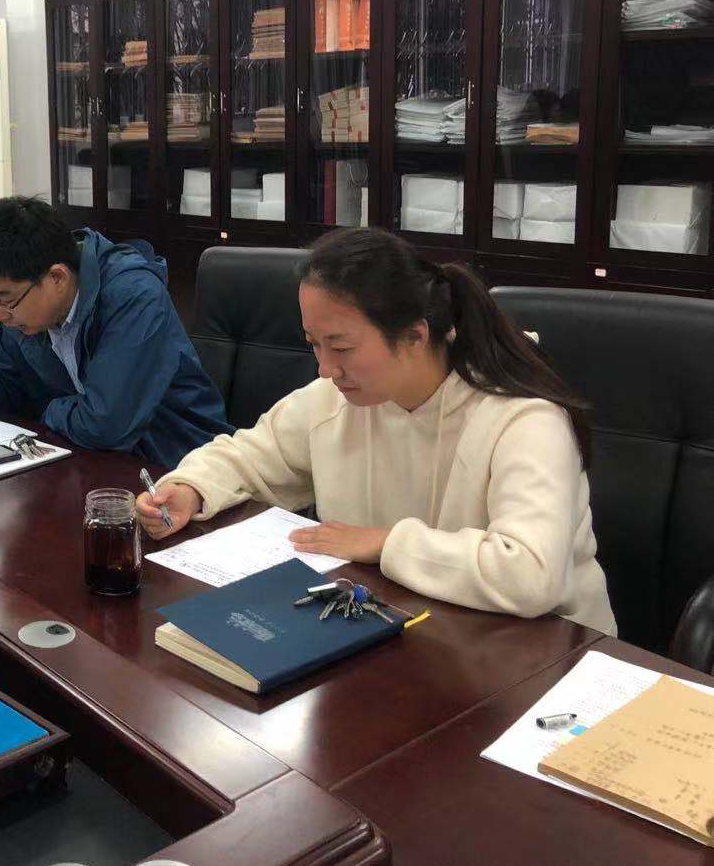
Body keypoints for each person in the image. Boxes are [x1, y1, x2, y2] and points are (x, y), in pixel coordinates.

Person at [136, 227, 616, 634]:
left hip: (545, 654)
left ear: (415, 335)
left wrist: (385, 542)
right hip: (402, 627)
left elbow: (530, 574)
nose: (325, 368)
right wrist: (191, 488)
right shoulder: (338, 399)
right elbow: (251, 456)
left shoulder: (524, 419)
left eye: (341, 347)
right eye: (314, 344)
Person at [0, 196, 231, 469]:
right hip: (88, 462)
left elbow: (106, 425)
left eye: (6, 300)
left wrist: (46, 408)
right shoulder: (30, 312)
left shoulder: (133, 298)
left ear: (57, 277)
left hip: (177, 464)